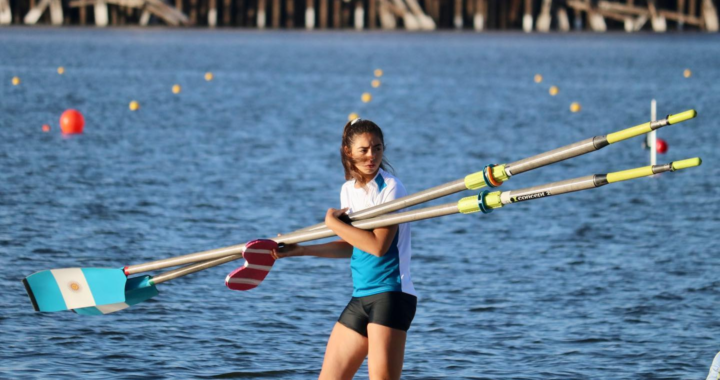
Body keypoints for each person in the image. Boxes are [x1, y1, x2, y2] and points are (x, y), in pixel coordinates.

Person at [270, 118, 417, 380]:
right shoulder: (348, 190)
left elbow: (378, 247)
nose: (372, 155)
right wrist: (302, 250)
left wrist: (332, 223)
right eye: (364, 149)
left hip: (391, 295)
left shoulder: (392, 188)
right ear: (348, 152)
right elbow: (354, 246)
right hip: (361, 295)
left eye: (378, 148)